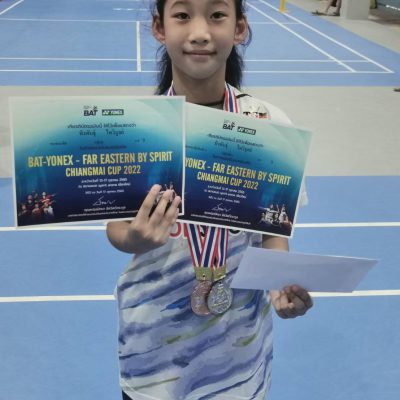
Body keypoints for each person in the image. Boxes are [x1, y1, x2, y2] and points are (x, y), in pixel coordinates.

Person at [106, 1, 313, 399]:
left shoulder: (268, 124)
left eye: (217, 15)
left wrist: (279, 282)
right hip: (153, 349)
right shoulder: (136, 126)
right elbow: (117, 229)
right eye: (182, 15)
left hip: (238, 348)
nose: (200, 33)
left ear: (239, 28)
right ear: (159, 28)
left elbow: (273, 230)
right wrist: (134, 238)